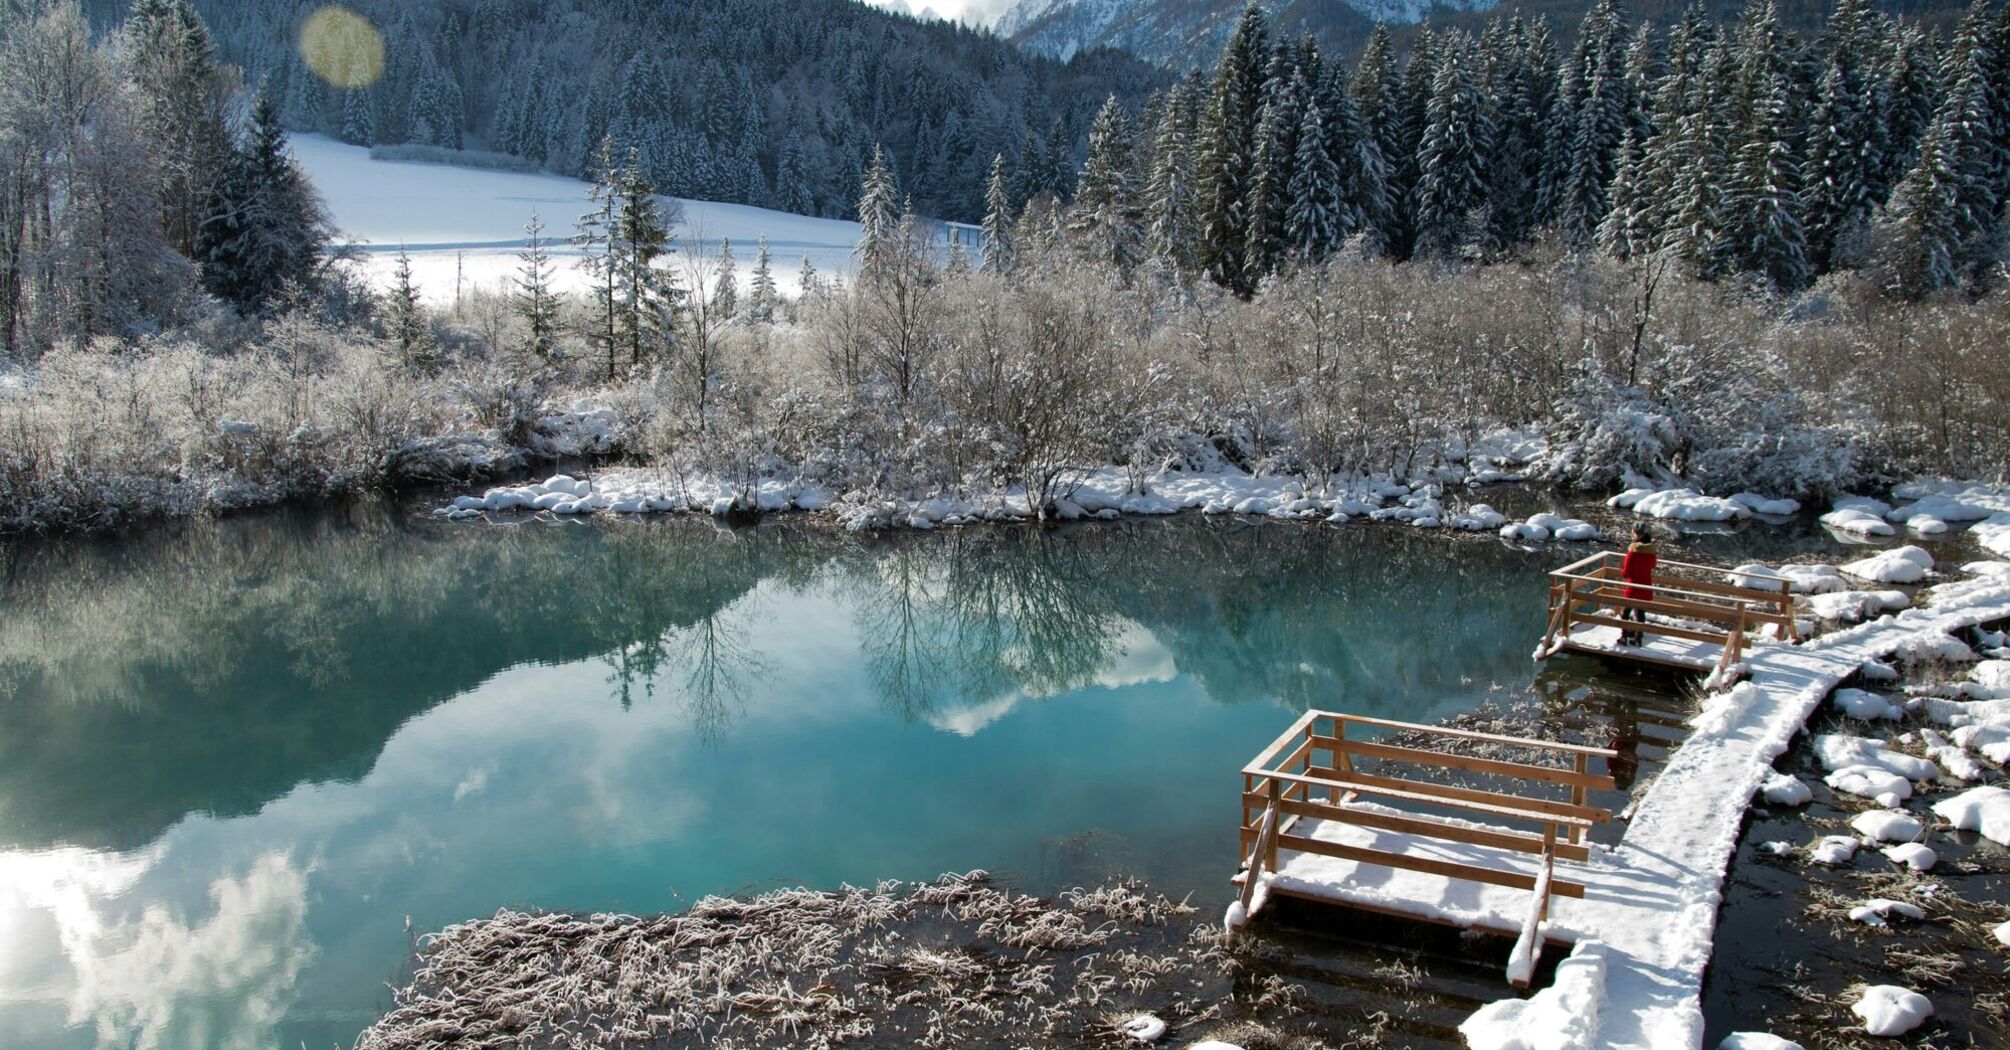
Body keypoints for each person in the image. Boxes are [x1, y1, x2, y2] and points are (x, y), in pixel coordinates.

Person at [1619, 525, 1657, 646]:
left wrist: (1624, 574)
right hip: (1645, 584)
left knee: (1625, 611)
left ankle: (1624, 636)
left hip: (1633, 585)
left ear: (1636, 534)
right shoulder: (1651, 551)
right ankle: (1638, 637)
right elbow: (1652, 566)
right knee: (1640, 611)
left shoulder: (1633, 550)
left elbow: (1627, 571)